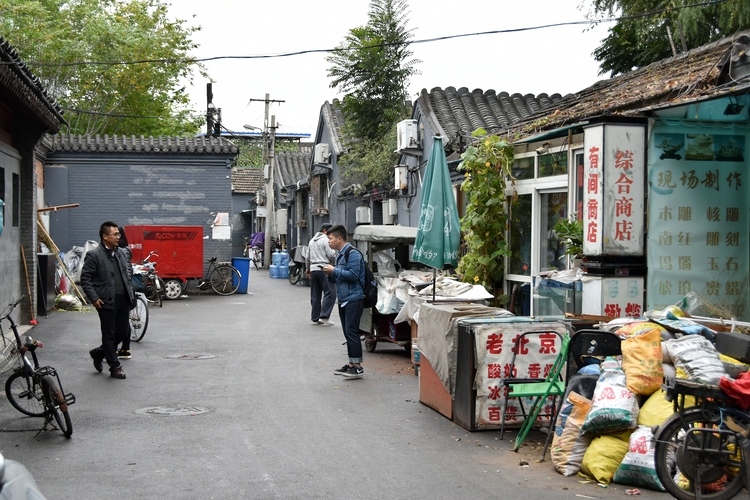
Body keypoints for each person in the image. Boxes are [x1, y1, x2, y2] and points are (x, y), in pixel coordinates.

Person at [80, 221, 135, 379]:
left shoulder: (121, 253)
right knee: (109, 335)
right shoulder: (95, 255)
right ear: (105, 237)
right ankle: (115, 367)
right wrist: (94, 298)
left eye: (119, 234)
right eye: (115, 234)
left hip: (123, 300)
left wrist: (131, 295)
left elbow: (127, 275)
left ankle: (99, 352)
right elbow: (86, 279)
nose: (119, 237)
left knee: (123, 333)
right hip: (105, 301)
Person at [322, 225, 365, 379]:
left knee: (352, 332)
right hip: (345, 298)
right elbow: (341, 276)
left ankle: (357, 366)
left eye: (330, 238)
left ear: (339, 239)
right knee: (348, 332)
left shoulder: (353, 254)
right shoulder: (340, 254)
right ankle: (351, 364)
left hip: (354, 297)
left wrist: (334, 271)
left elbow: (353, 275)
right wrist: (330, 273)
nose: (329, 242)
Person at [306, 223, 336, 326]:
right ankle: (324, 316)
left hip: (313, 269)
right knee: (330, 292)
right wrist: (334, 264)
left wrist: (307, 269)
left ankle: (315, 318)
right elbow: (331, 254)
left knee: (315, 294)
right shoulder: (325, 240)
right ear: (325, 231)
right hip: (324, 269)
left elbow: (307, 257)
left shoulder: (311, 241)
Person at [115, 226, 133, 360]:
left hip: (120, 291)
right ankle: (126, 349)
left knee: (117, 322)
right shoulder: (127, 250)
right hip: (127, 289)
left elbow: (125, 272)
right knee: (124, 321)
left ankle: (113, 349)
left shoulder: (119, 251)